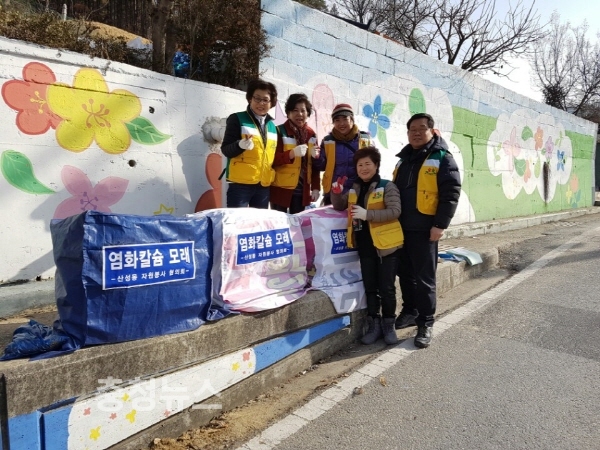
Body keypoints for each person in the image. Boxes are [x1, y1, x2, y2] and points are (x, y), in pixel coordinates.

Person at [392, 113, 461, 349]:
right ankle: (410, 311)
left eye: (421, 128)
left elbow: (451, 192)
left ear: (432, 131)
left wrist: (440, 225)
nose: (416, 133)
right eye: (412, 129)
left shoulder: (442, 157)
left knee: (424, 279)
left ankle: (426, 322)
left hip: (425, 229)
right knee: (405, 274)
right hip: (401, 228)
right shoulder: (403, 160)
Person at [330, 146, 404, 345]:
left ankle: (389, 325)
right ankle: (374, 324)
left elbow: (395, 211)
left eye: (367, 164)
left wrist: (367, 215)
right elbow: (339, 205)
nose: (363, 168)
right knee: (370, 287)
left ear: (376, 165)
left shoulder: (387, 186)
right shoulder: (354, 188)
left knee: (386, 287)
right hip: (364, 245)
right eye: (360, 165)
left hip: (387, 245)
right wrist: (336, 192)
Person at [221, 79, 278, 208]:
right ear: (250, 99)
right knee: (237, 220)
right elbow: (226, 149)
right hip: (240, 185)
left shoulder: (273, 127)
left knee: (258, 220)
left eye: (265, 100)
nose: (261, 103)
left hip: (263, 185)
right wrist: (239, 145)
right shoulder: (237, 119)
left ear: (271, 103)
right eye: (257, 98)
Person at [270, 93, 321, 213]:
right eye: (295, 110)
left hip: (301, 192)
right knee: (279, 222)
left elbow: (315, 166)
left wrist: (315, 188)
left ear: (308, 113)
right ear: (288, 113)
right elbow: (272, 160)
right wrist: (291, 154)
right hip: (280, 190)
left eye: (303, 110)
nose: (300, 114)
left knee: (297, 223)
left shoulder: (311, 135)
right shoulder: (279, 131)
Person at [314, 104, 372, 205]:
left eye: (345, 119)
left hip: (357, 192)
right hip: (334, 192)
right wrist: (316, 157)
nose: (341, 123)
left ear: (352, 120)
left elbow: (373, 164)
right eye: (337, 120)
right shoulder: (328, 141)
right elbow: (322, 166)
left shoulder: (364, 140)